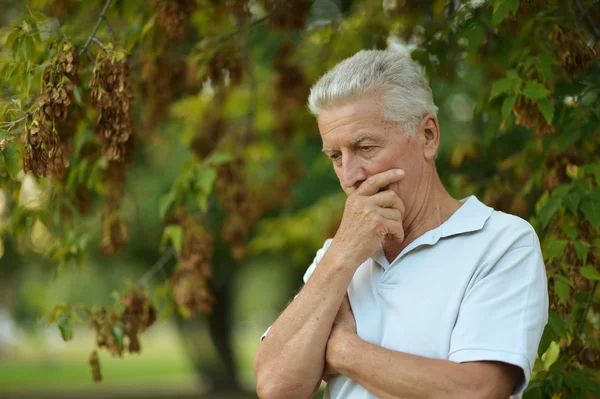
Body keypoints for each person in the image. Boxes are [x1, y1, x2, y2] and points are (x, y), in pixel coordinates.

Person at [252, 50, 549, 399]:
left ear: (427, 136)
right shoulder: (339, 257)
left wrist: (343, 350)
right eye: (335, 156)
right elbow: (276, 388)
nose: (350, 176)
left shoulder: (501, 243)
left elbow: (476, 392)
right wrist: (342, 255)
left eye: (364, 147)